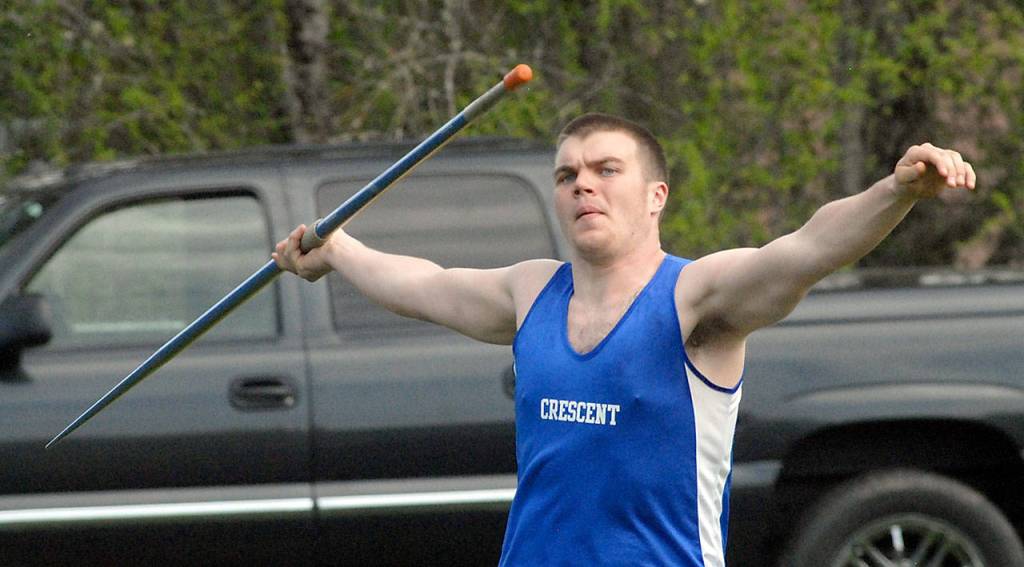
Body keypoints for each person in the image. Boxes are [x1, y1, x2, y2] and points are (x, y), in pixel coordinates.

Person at [272, 113, 976, 566]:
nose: (584, 185)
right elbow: (425, 284)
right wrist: (338, 251)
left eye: (607, 170)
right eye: (567, 175)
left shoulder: (696, 298)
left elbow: (805, 249)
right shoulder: (530, 291)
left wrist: (896, 192)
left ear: (655, 196)